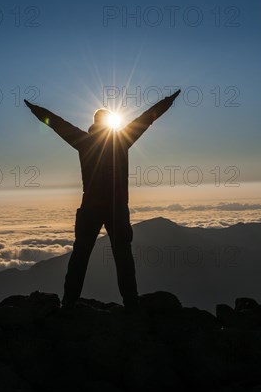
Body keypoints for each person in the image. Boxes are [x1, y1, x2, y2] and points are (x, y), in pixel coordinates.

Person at [24, 88, 181, 310]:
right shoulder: (122, 141)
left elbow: (57, 123)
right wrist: (168, 101)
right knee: (123, 257)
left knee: (80, 255)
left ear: (95, 124)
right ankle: (131, 303)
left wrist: (36, 110)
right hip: (117, 208)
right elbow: (147, 118)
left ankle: (68, 302)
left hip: (90, 208)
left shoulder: (84, 142)